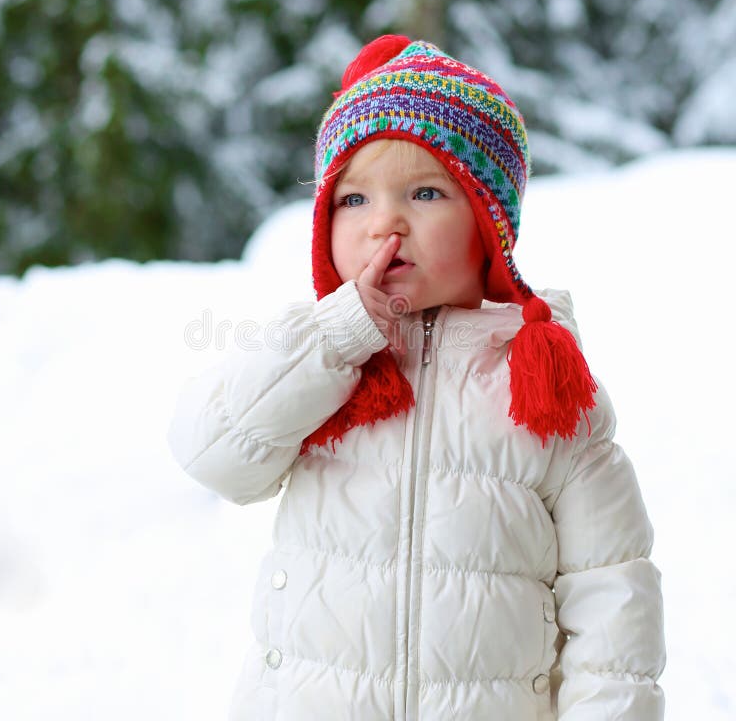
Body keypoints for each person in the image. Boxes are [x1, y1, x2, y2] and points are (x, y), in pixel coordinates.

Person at [167, 35, 666, 720]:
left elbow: (612, 595)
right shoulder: (321, 363)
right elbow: (213, 454)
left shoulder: (545, 386)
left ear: (489, 225)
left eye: (425, 192)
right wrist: (337, 337)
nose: (385, 223)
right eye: (353, 200)